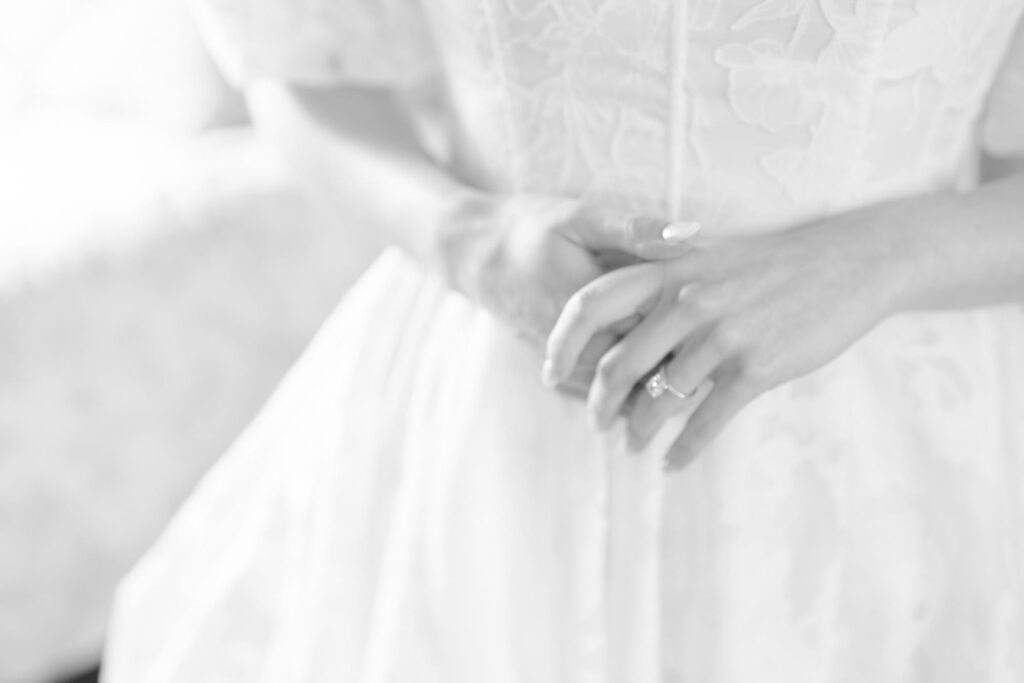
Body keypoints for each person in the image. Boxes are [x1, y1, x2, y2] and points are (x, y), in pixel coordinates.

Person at [103, 1, 1024, 680]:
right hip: (497, 405)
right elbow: (301, 66)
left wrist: (872, 260)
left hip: (897, 438)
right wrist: (466, 237)